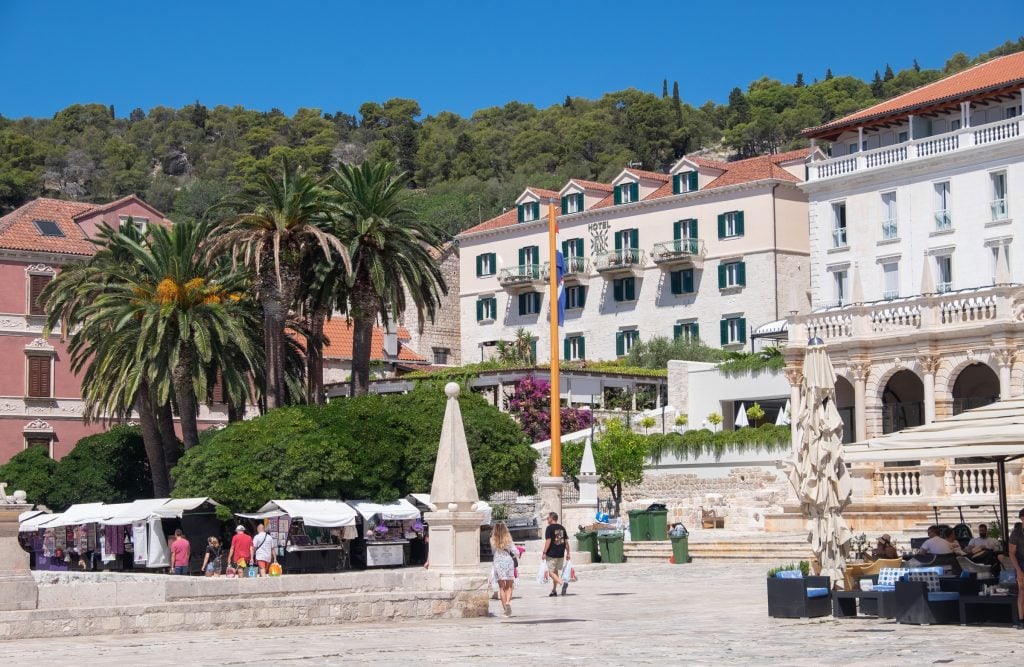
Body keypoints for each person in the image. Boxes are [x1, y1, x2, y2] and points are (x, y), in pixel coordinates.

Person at [489, 521, 518, 616]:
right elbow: (515, 551)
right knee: (509, 586)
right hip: (508, 561)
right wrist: (516, 554)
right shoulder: (508, 539)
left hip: (498, 561)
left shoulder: (492, 540)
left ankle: (506, 610)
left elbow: (493, 552)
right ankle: (508, 602)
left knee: (501, 587)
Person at [542, 512, 570, 597]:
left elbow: (548, 541)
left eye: (548, 518)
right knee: (555, 572)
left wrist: (544, 552)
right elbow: (565, 542)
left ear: (552, 518)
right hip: (560, 553)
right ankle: (554, 590)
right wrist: (568, 553)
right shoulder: (561, 528)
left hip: (552, 553)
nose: (547, 519)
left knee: (550, 572)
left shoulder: (549, 528)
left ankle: (561, 583)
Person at [1008, 509, 1024, 622]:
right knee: (1022, 590)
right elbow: (1011, 553)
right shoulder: (1017, 533)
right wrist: (1018, 570)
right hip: (1021, 562)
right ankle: (1021, 619)